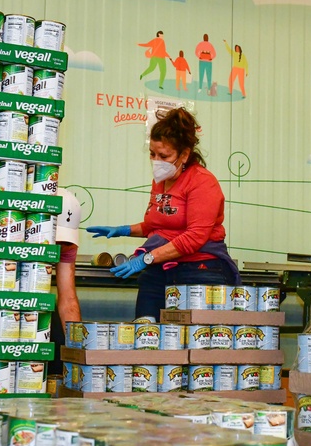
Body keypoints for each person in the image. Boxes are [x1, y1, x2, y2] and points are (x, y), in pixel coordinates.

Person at [86, 108, 240, 320]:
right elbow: (157, 225)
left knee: (193, 343)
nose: (156, 161)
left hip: (199, 269)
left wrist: (147, 258)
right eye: (152, 154)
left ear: (184, 154)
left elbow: (194, 237)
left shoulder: (203, 182)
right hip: (159, 270)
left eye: (164, 156)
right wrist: (123, 230)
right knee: (145, 332)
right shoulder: (160, 181)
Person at [48, 188, 82, 376]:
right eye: (55, 242)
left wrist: (77, 349)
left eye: (64, 242)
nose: (60, 248)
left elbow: (68, 299)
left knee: (58, 349)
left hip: (41, 300)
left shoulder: (67, 246)